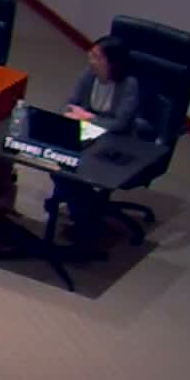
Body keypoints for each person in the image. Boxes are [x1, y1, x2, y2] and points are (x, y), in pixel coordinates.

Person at [50, 35, 143, 241]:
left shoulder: (129, 85)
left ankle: (85, 219)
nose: (90, 60)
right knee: (57, 163)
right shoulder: (88, 75)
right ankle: (85, 211)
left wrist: (88, 118)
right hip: (87, 135)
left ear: (111, 62)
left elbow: (120, 124)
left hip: (117, 142)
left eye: (96, 57)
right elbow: (70, 105)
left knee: (75, 170)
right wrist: (79, 116)